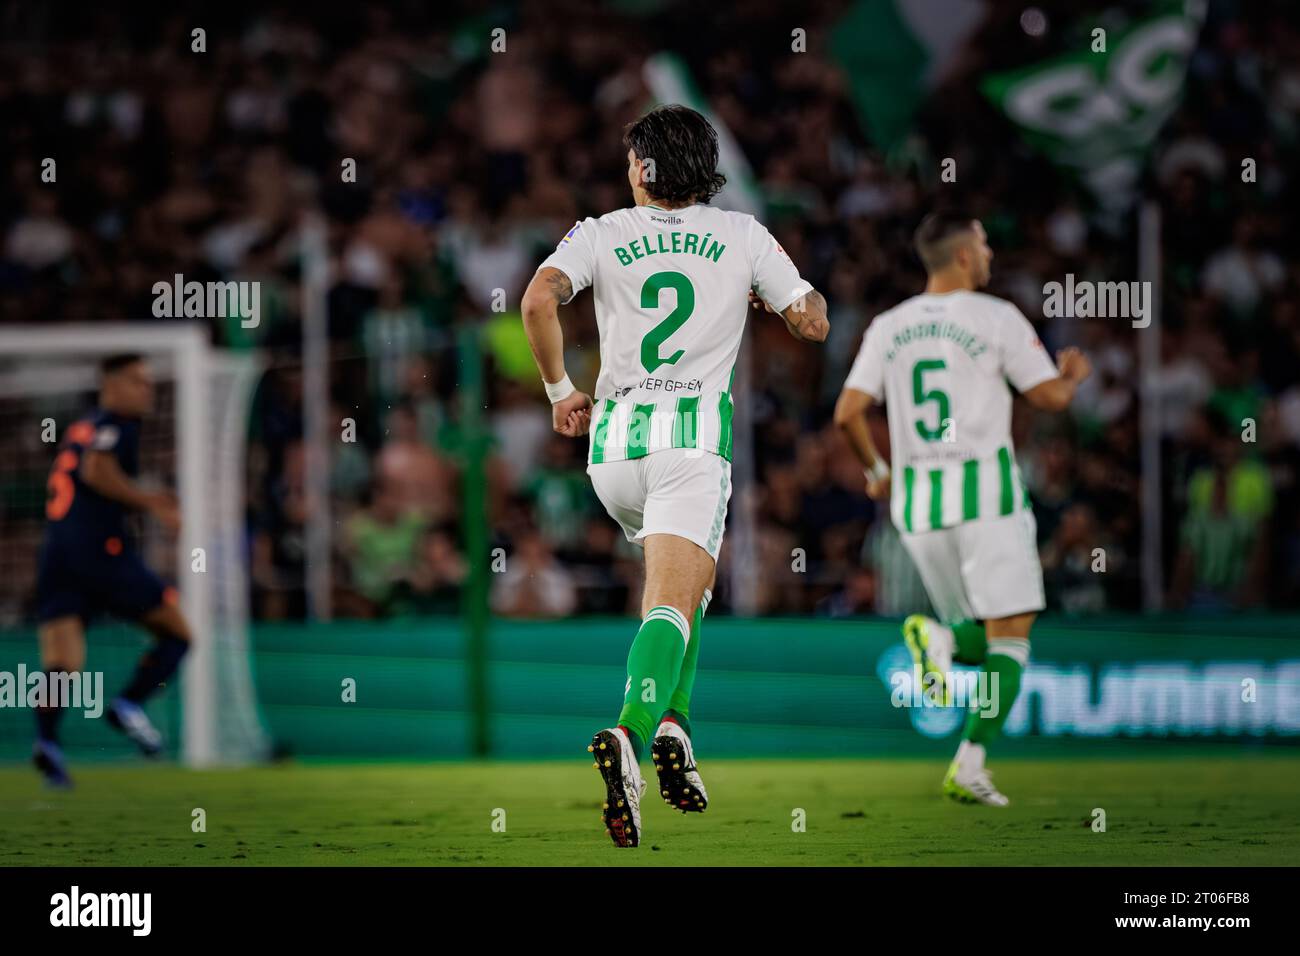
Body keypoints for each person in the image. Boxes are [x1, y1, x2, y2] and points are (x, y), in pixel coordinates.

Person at [520, 104, 827, 846]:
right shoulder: (742, 233)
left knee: (688, 590)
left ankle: (677, 727)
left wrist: (562, 393)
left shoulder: (600, 232)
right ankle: (630, 733)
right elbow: (813, 322)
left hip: (614, 447)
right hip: (691, 442)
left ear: (645, 169)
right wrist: (780, 303)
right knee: (670, 602)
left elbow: (536, 301)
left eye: (632, 160)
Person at [834, 212, 1091, 806]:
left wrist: (878, 472)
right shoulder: (996, 316)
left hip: (918, 508)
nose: (991, 251)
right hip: (988, 500)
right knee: (1012, 639)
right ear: (963, 258)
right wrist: (1072, 376)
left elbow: (847, 412)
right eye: (983, 243)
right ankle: (969, 762)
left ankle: (943, 646)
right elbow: (1047, 397)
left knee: (980, 634)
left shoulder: (887, 326)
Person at [33, 354, 193, 787]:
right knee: (179, 634)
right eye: (138, 381)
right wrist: (154, 504)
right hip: (101, 554)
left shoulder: (81, 427)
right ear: (112, 384)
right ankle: (129, 703)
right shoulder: (116, 425)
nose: (148, 390)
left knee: (62, 663)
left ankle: (47, 743)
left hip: (56, 555)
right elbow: (96, 470)